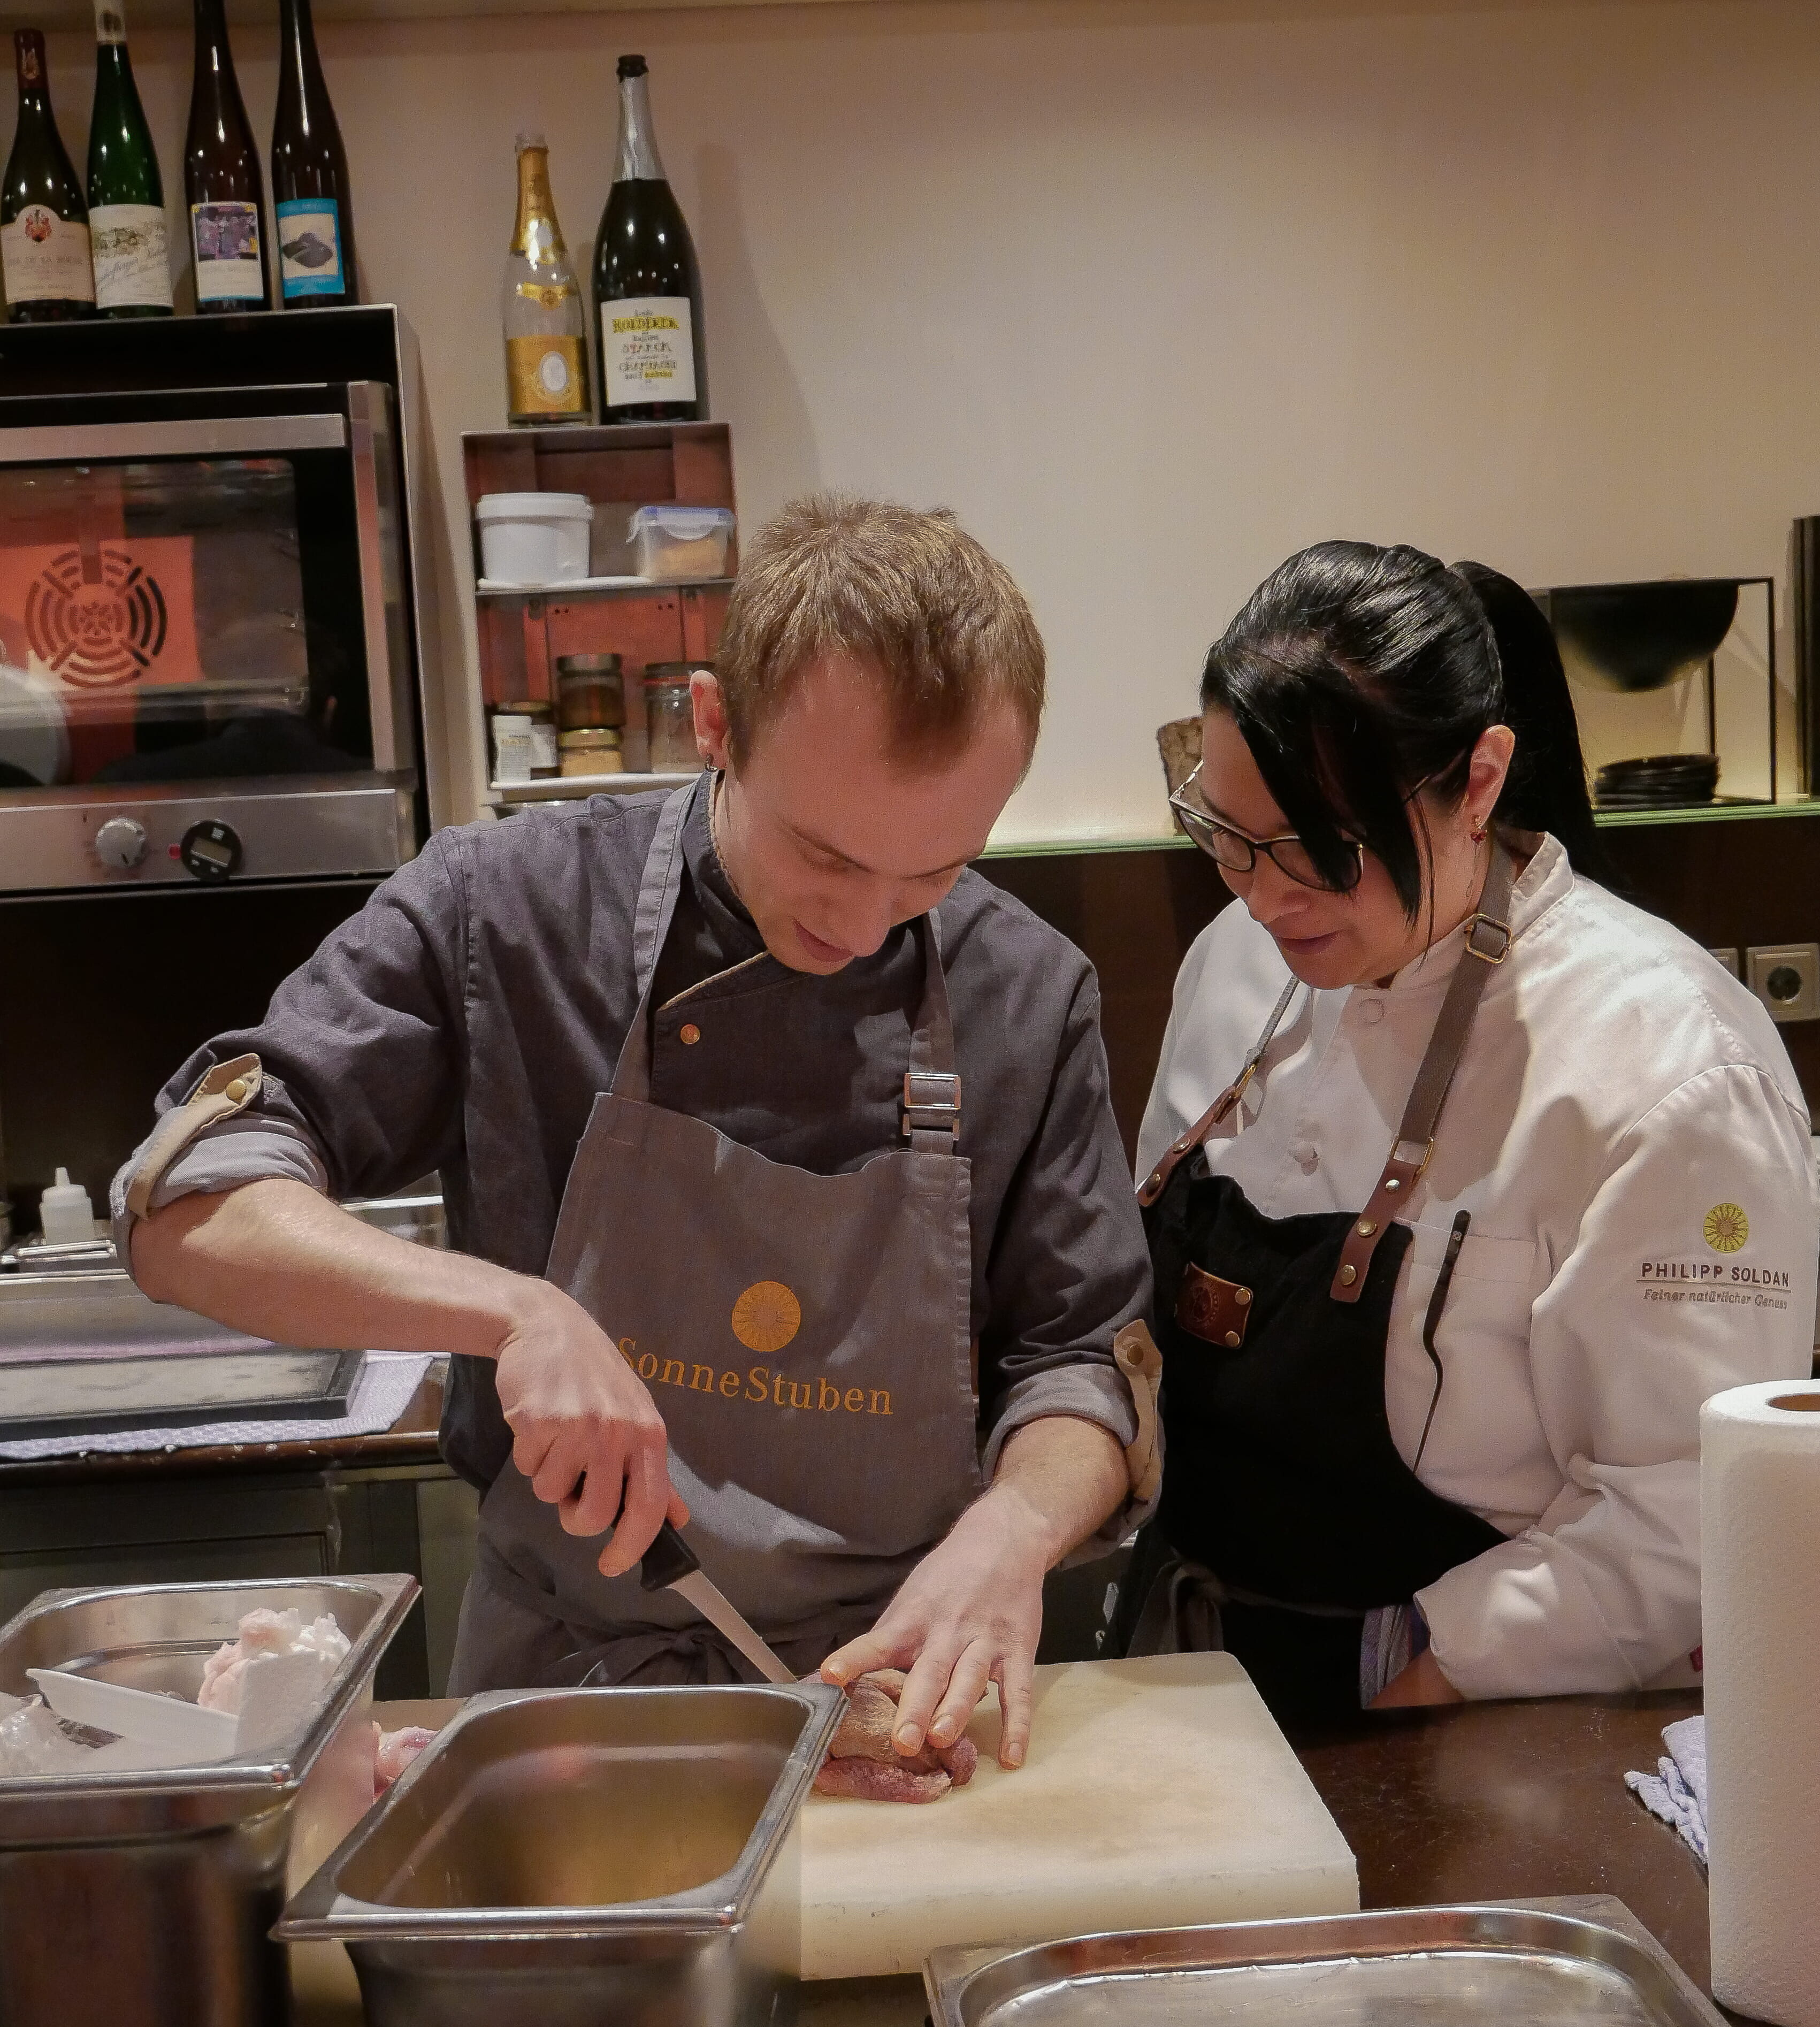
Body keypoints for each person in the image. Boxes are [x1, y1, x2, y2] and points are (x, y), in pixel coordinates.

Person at [115, 497, 1158, 1770]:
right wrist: (514, 1313)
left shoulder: (1029, 991)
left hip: (903, 1693)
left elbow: (1083, 1357)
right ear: (714, 723)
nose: (871, 920)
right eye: (826, 854)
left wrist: (1016, 1532)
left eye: (934, 871)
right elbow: (188, 1209)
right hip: (573, 1705)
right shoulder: (504, 913)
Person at [1130, 541, 1817, 1716]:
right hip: (1193, 1674)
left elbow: (1684, 1522)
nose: (1262, 894)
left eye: (1319, 849)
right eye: (1226, 832)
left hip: (1453, 1717)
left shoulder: (1668, 1065)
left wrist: (1402, 1698)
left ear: (1482, 779)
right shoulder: (1233, 962)